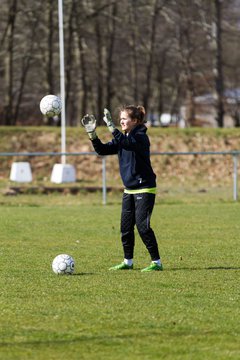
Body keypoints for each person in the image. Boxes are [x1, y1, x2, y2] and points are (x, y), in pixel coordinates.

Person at [81, 105, 163, 272]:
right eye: (120, 119)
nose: (121, 122)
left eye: (124, 119)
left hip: (144, 189)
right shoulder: (123, 137)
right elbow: (102, 150)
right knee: (125, 229)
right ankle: (128, 262)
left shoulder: (141, 136)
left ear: (135, 121)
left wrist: (112, 128)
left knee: (143, 227)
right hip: (129, 190)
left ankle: (157, 262)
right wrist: (92, 133)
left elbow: (128, 143)